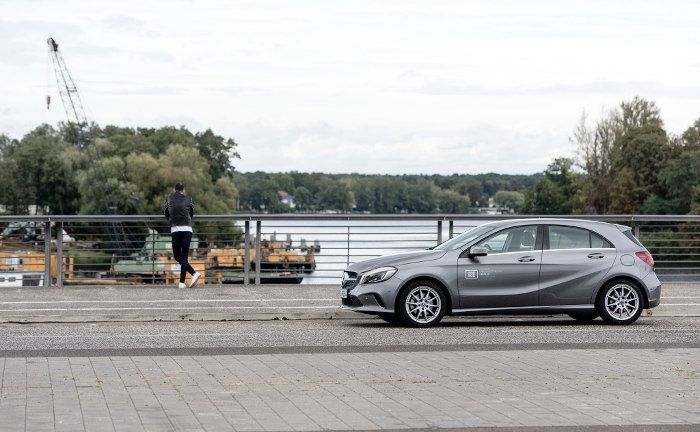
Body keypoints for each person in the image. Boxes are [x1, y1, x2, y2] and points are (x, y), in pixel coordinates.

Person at [164, 183, 201, 288]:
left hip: (175, 229)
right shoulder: (189, 199)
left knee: (177, 256)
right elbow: (191, 214)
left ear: (174, 189)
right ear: (183, 190)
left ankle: (184, 280)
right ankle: (190, 276)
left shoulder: (169, 199)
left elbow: (167, 215)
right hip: (187, 229)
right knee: (184, 256)